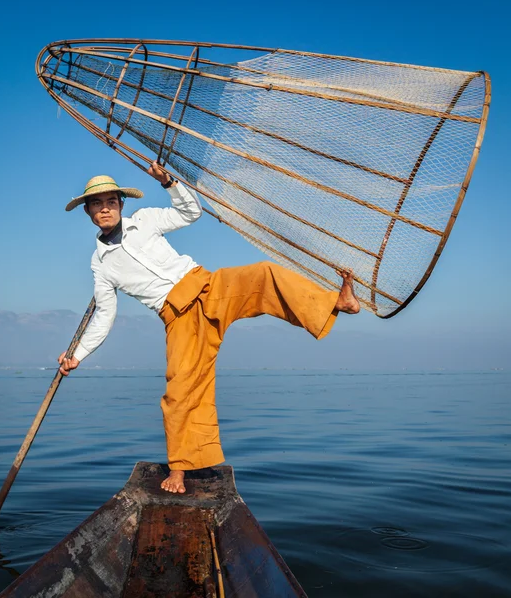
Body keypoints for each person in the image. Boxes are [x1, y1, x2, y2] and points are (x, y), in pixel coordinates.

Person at [59, 162, 360, 493]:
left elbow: (190, 213)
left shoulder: (144, 221)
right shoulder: (100, 264)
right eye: (97, 204)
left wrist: (170, 182)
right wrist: (78, 354)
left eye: (111, 202)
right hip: (178, 317)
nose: (105, 209)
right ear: (87, 211)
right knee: (180, 391)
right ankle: (180, 469)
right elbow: (104, 313)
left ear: (121, 204)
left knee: (265, 274)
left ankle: (338, 302)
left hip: (206, 285)